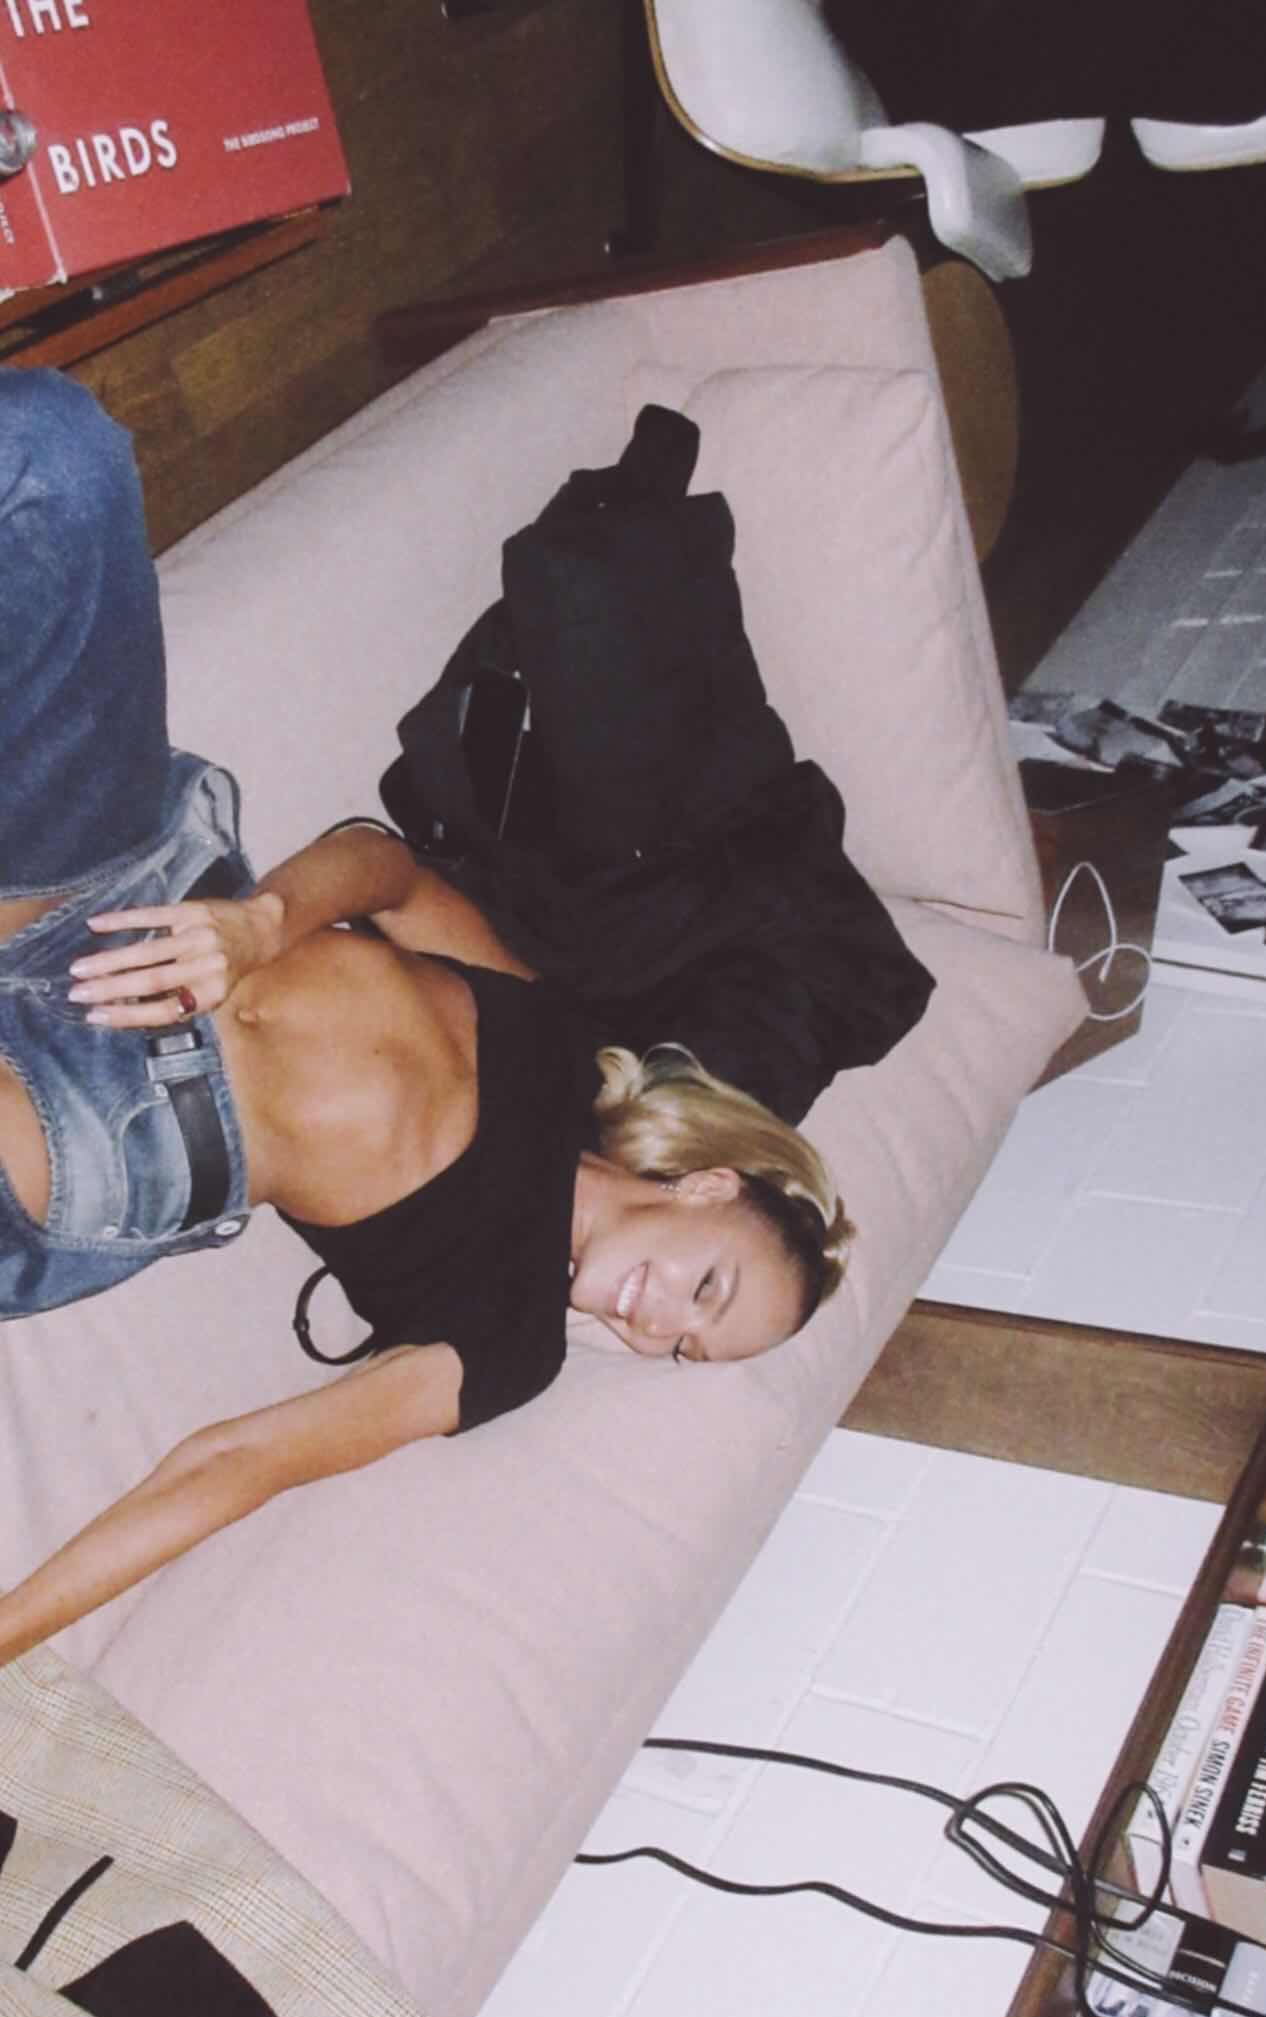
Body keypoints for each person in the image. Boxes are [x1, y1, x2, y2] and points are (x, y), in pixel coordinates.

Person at [0, 370, 853, 1663]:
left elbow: (238, 1463)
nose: (657, 1326)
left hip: (109, 1129)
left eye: (684, 1349)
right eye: (708, 1290)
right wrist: (261, 922)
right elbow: (385, 869)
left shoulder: (504, 1347)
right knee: (56, 456)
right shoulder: (558, 1036)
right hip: (135, 902)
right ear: (709, 1188)